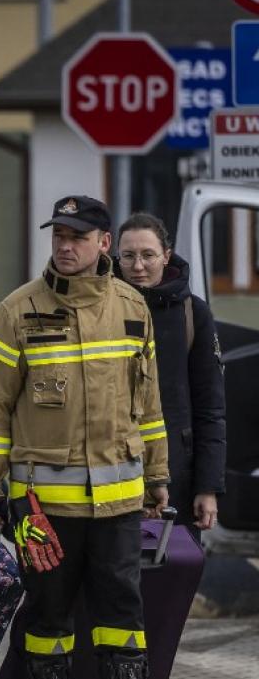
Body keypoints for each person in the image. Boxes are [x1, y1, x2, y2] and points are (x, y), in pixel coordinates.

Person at [0, 194, 170, 679]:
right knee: (48, 615)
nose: (64, 244)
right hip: (40, 509)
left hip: (119, 505)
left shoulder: (132, 307)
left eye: (78, 236)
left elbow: (148, 405)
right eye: (58, 234)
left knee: (121, 612)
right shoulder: (16, 312)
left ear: (104, 243)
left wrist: (159, 476)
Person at [116, 212, 226, 534]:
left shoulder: (194, 313)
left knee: (169, 576)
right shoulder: (99, 310)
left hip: (177, 475)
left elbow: (210, 408)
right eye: (128, 256)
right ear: (115, 257)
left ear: (166, 255)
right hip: (110, 473)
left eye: (148, 255)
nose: (138, 266)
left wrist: (208, 487)